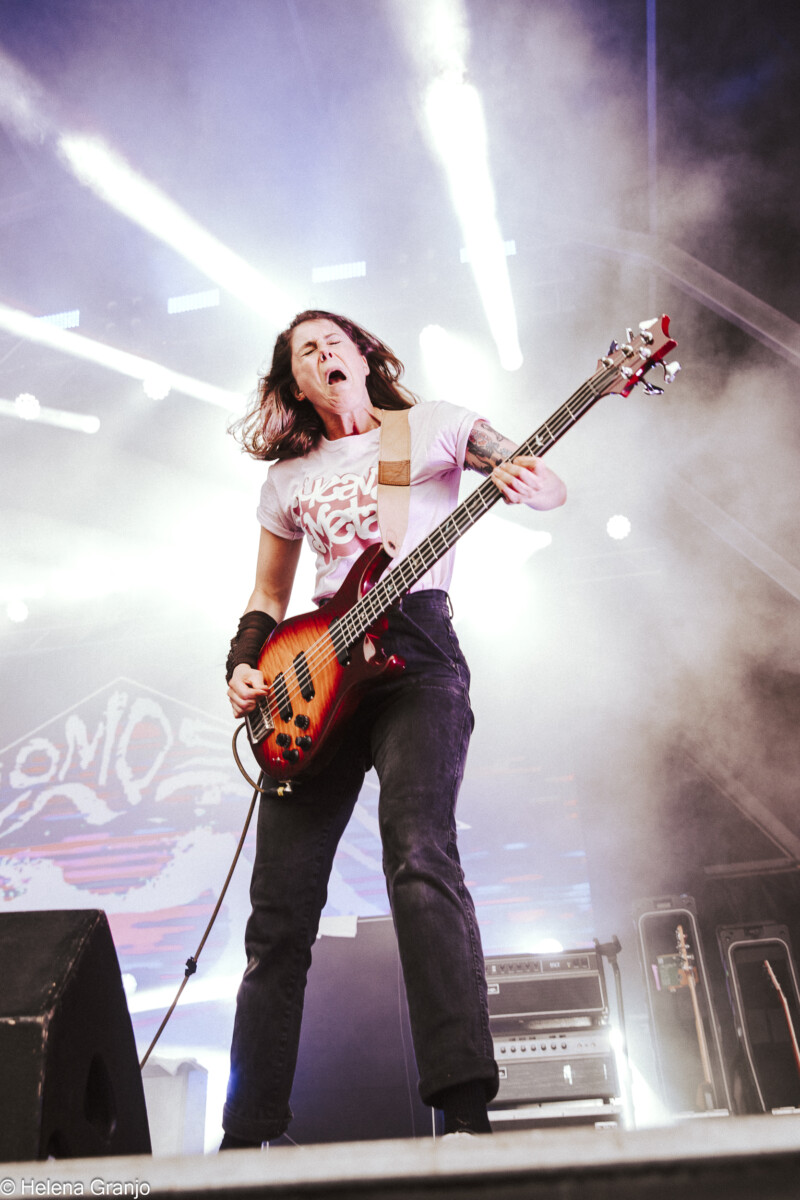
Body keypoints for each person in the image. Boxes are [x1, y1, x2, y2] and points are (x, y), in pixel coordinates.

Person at [221, 310, 566, 1148]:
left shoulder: (434, 426)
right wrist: (243, 659)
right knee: (277, 912)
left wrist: (535, 484)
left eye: (334, 341)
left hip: (415, 651)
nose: (324, 354)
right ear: (296, 383)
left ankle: (463, 1109)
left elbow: (541, 478)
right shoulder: (287, 480)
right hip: (317, 669)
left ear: (364, 356)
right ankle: (246, 1134)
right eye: (306, 351)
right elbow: (269, 593)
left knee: (418, 853)